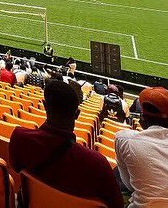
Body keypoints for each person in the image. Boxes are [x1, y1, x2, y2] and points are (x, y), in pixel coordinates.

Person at [9, 80, 122, 208]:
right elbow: (116, 205)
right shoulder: (98, 164)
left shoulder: (20, 137)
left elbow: (16, 168)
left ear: (45, 105)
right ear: (77, 114)